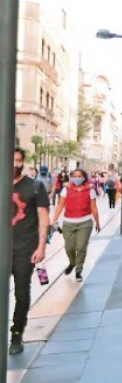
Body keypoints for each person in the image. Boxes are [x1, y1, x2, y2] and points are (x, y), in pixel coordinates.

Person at [9, 148, 50, 355]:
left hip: (25, 250)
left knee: (21, 293)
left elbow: (43, 218)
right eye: (11, 160)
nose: (15, 164)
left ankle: (17, 333)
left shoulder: (34, 186)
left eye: (18, 160)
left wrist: (41, 247)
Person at [51, 168, 101, 281]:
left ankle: (79, 270)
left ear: (84, 177)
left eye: (79, 176)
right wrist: (54, 219)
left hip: (85, 223)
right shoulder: (66, 189)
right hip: (68, 223)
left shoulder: (90, 190)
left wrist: (97, 222)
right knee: (69, 248)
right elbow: (60, 205)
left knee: (81, 247)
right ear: (71, 177)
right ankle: (72, 262)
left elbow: (94, 208)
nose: (77, 178)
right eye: (75, 176)